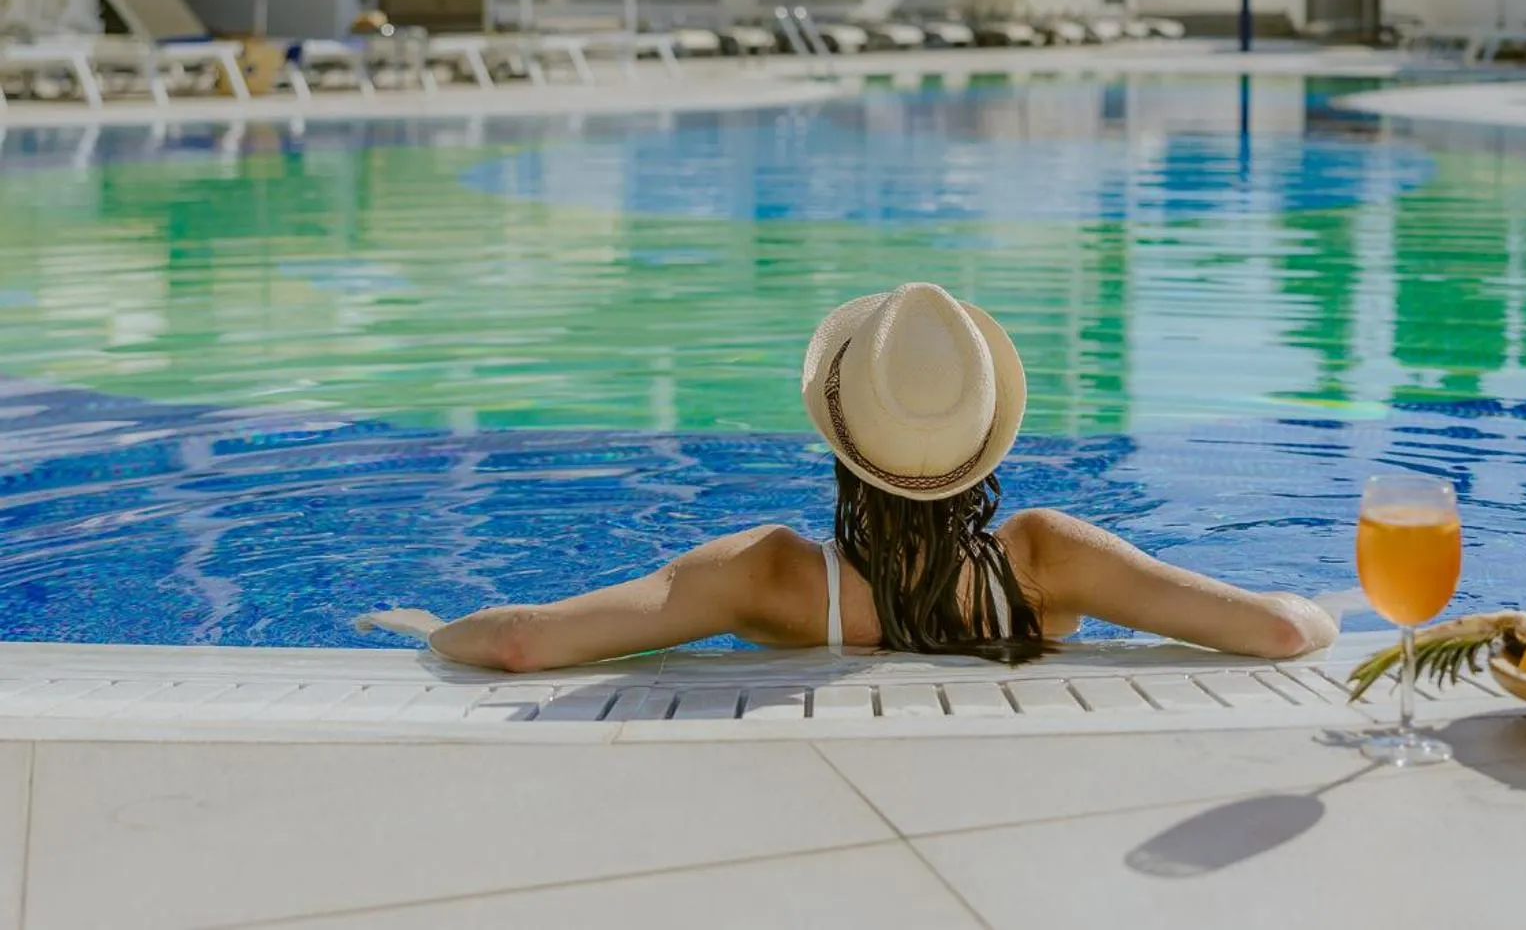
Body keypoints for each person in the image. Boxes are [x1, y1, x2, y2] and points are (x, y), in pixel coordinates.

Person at [356, 283, 1338, 670]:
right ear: (985, 442)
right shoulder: (1045, 557)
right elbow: (1281, 630)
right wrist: (1331, 605)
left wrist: (426, 632)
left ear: (840, 440)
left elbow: (526, 644)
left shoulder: (770, 578)